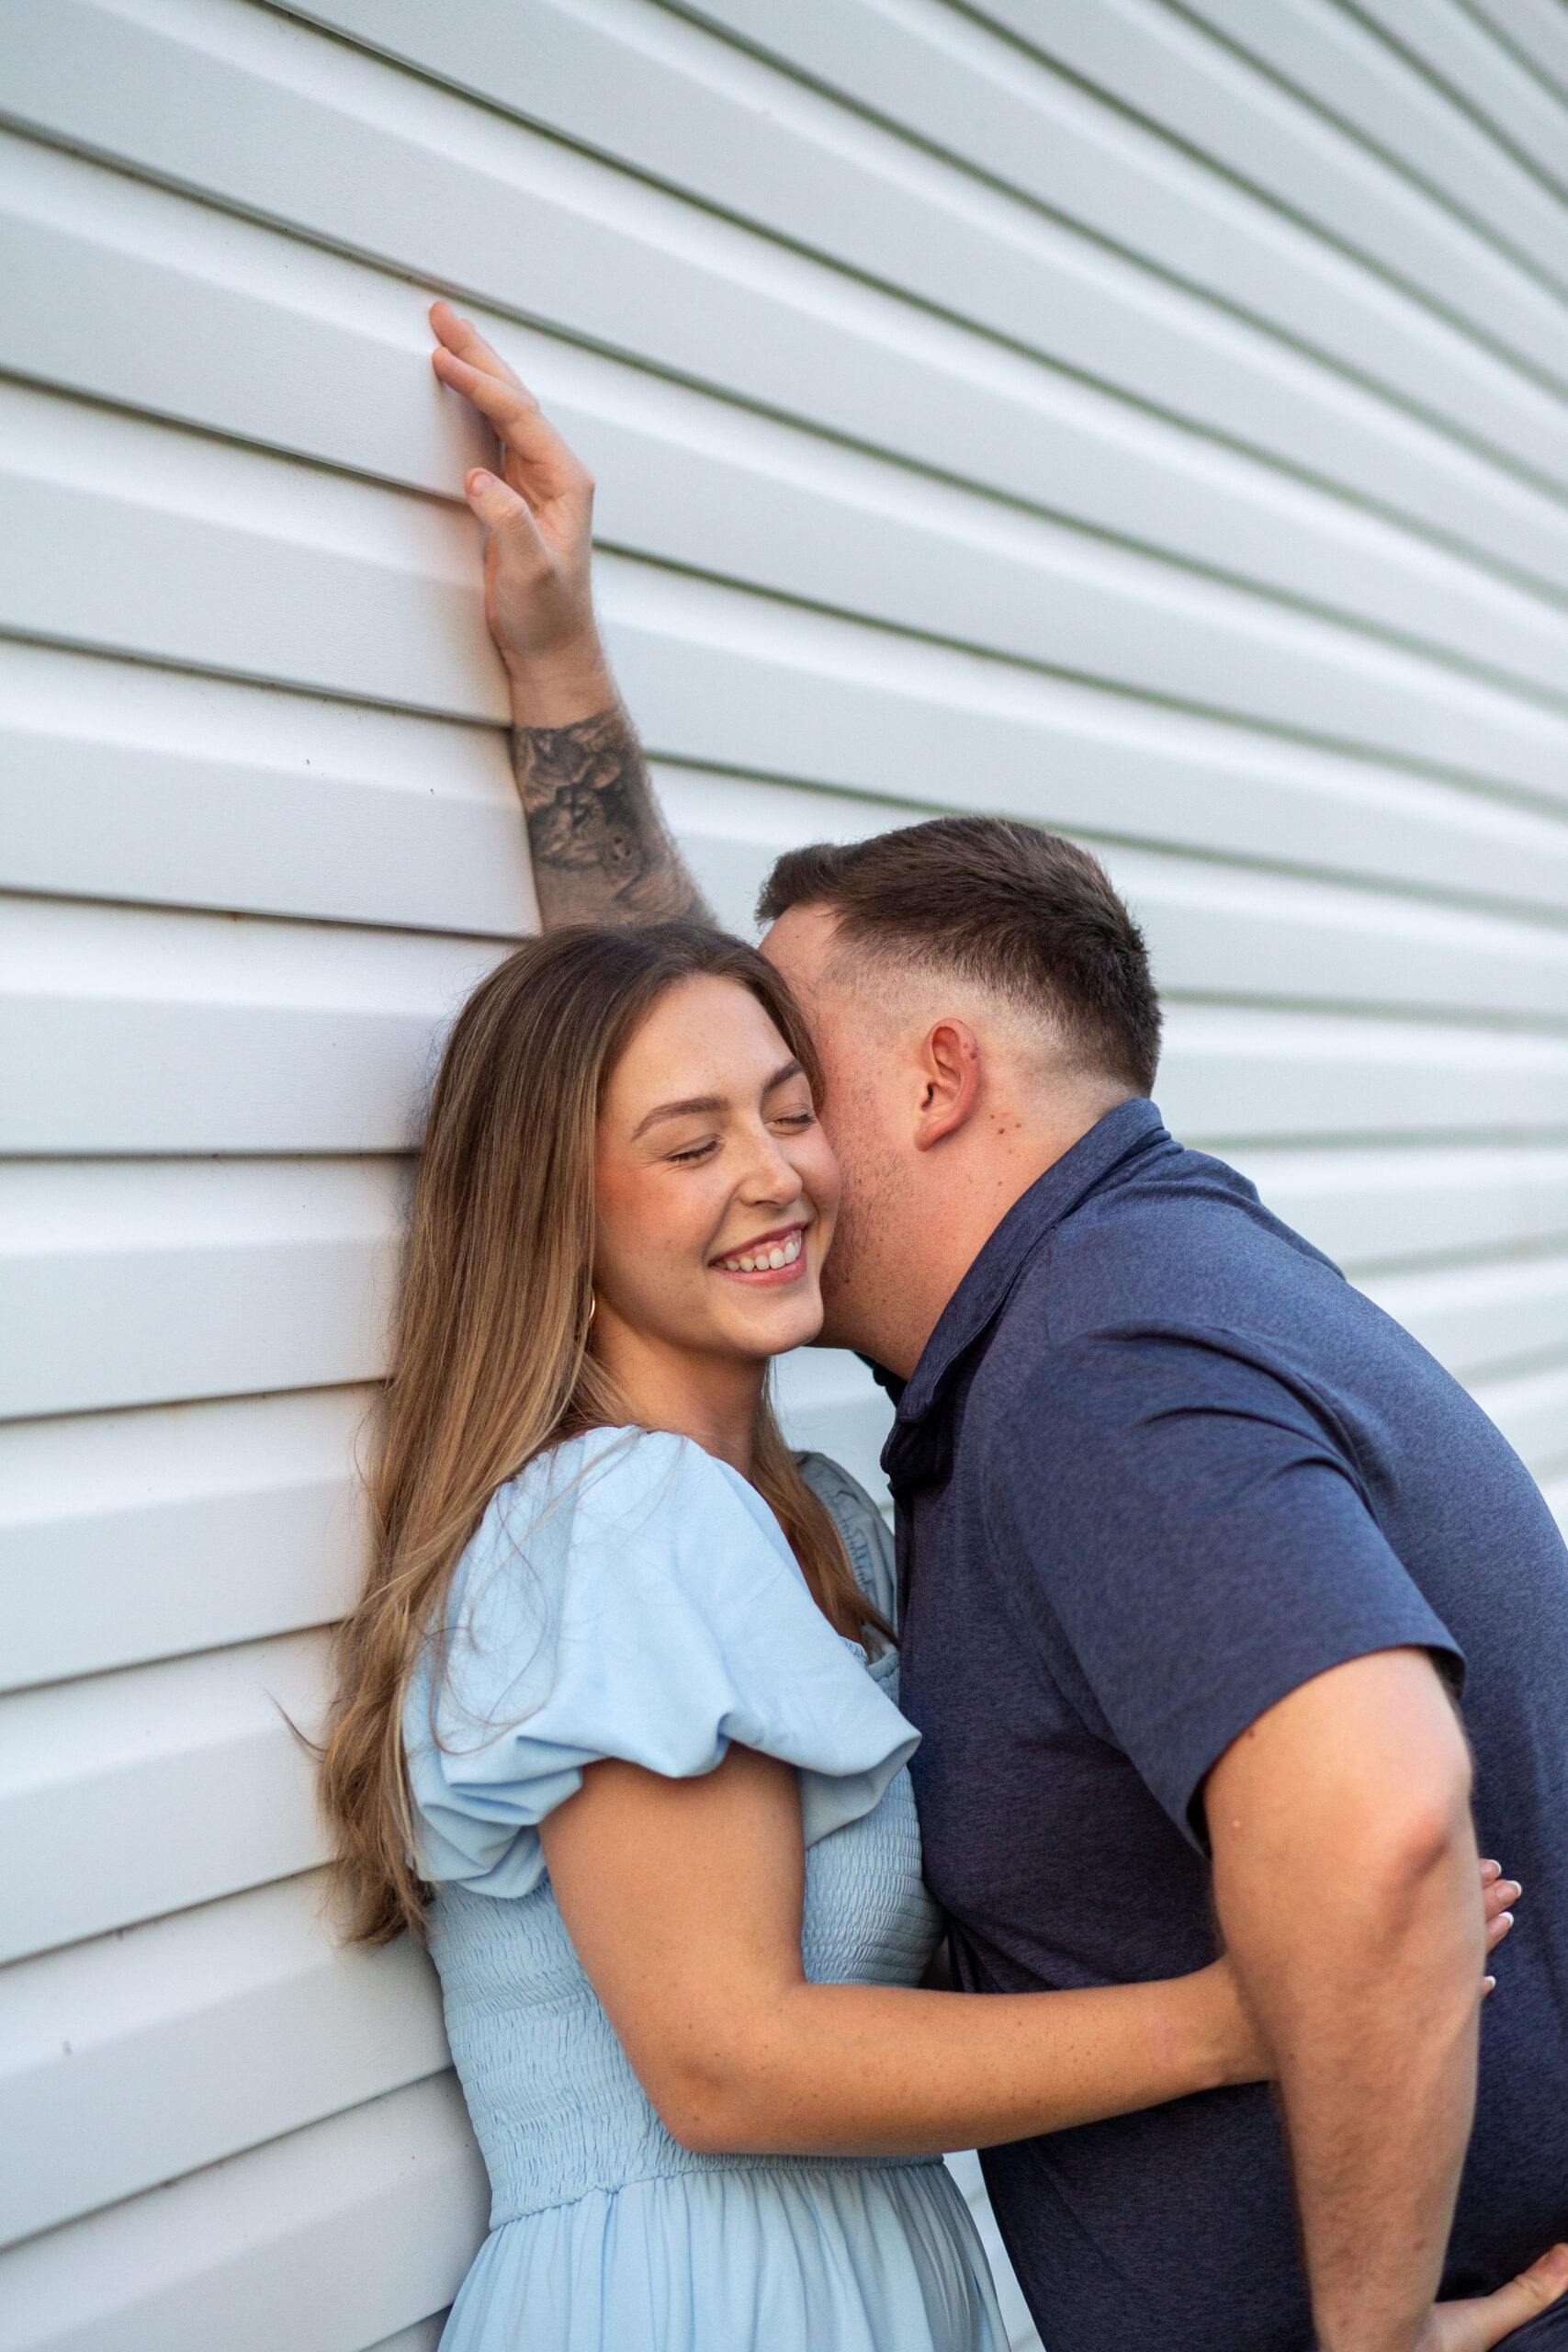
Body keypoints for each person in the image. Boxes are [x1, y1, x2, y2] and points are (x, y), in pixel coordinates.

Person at [420, 303, 1568, 2352]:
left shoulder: (1068, 1381)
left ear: (932, 1083)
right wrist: (558, 674)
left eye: (799, 1093)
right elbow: (628, 1082)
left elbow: (1380, 1832)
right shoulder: (1079, 1328)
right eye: (710, 1125)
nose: (771, 1162)